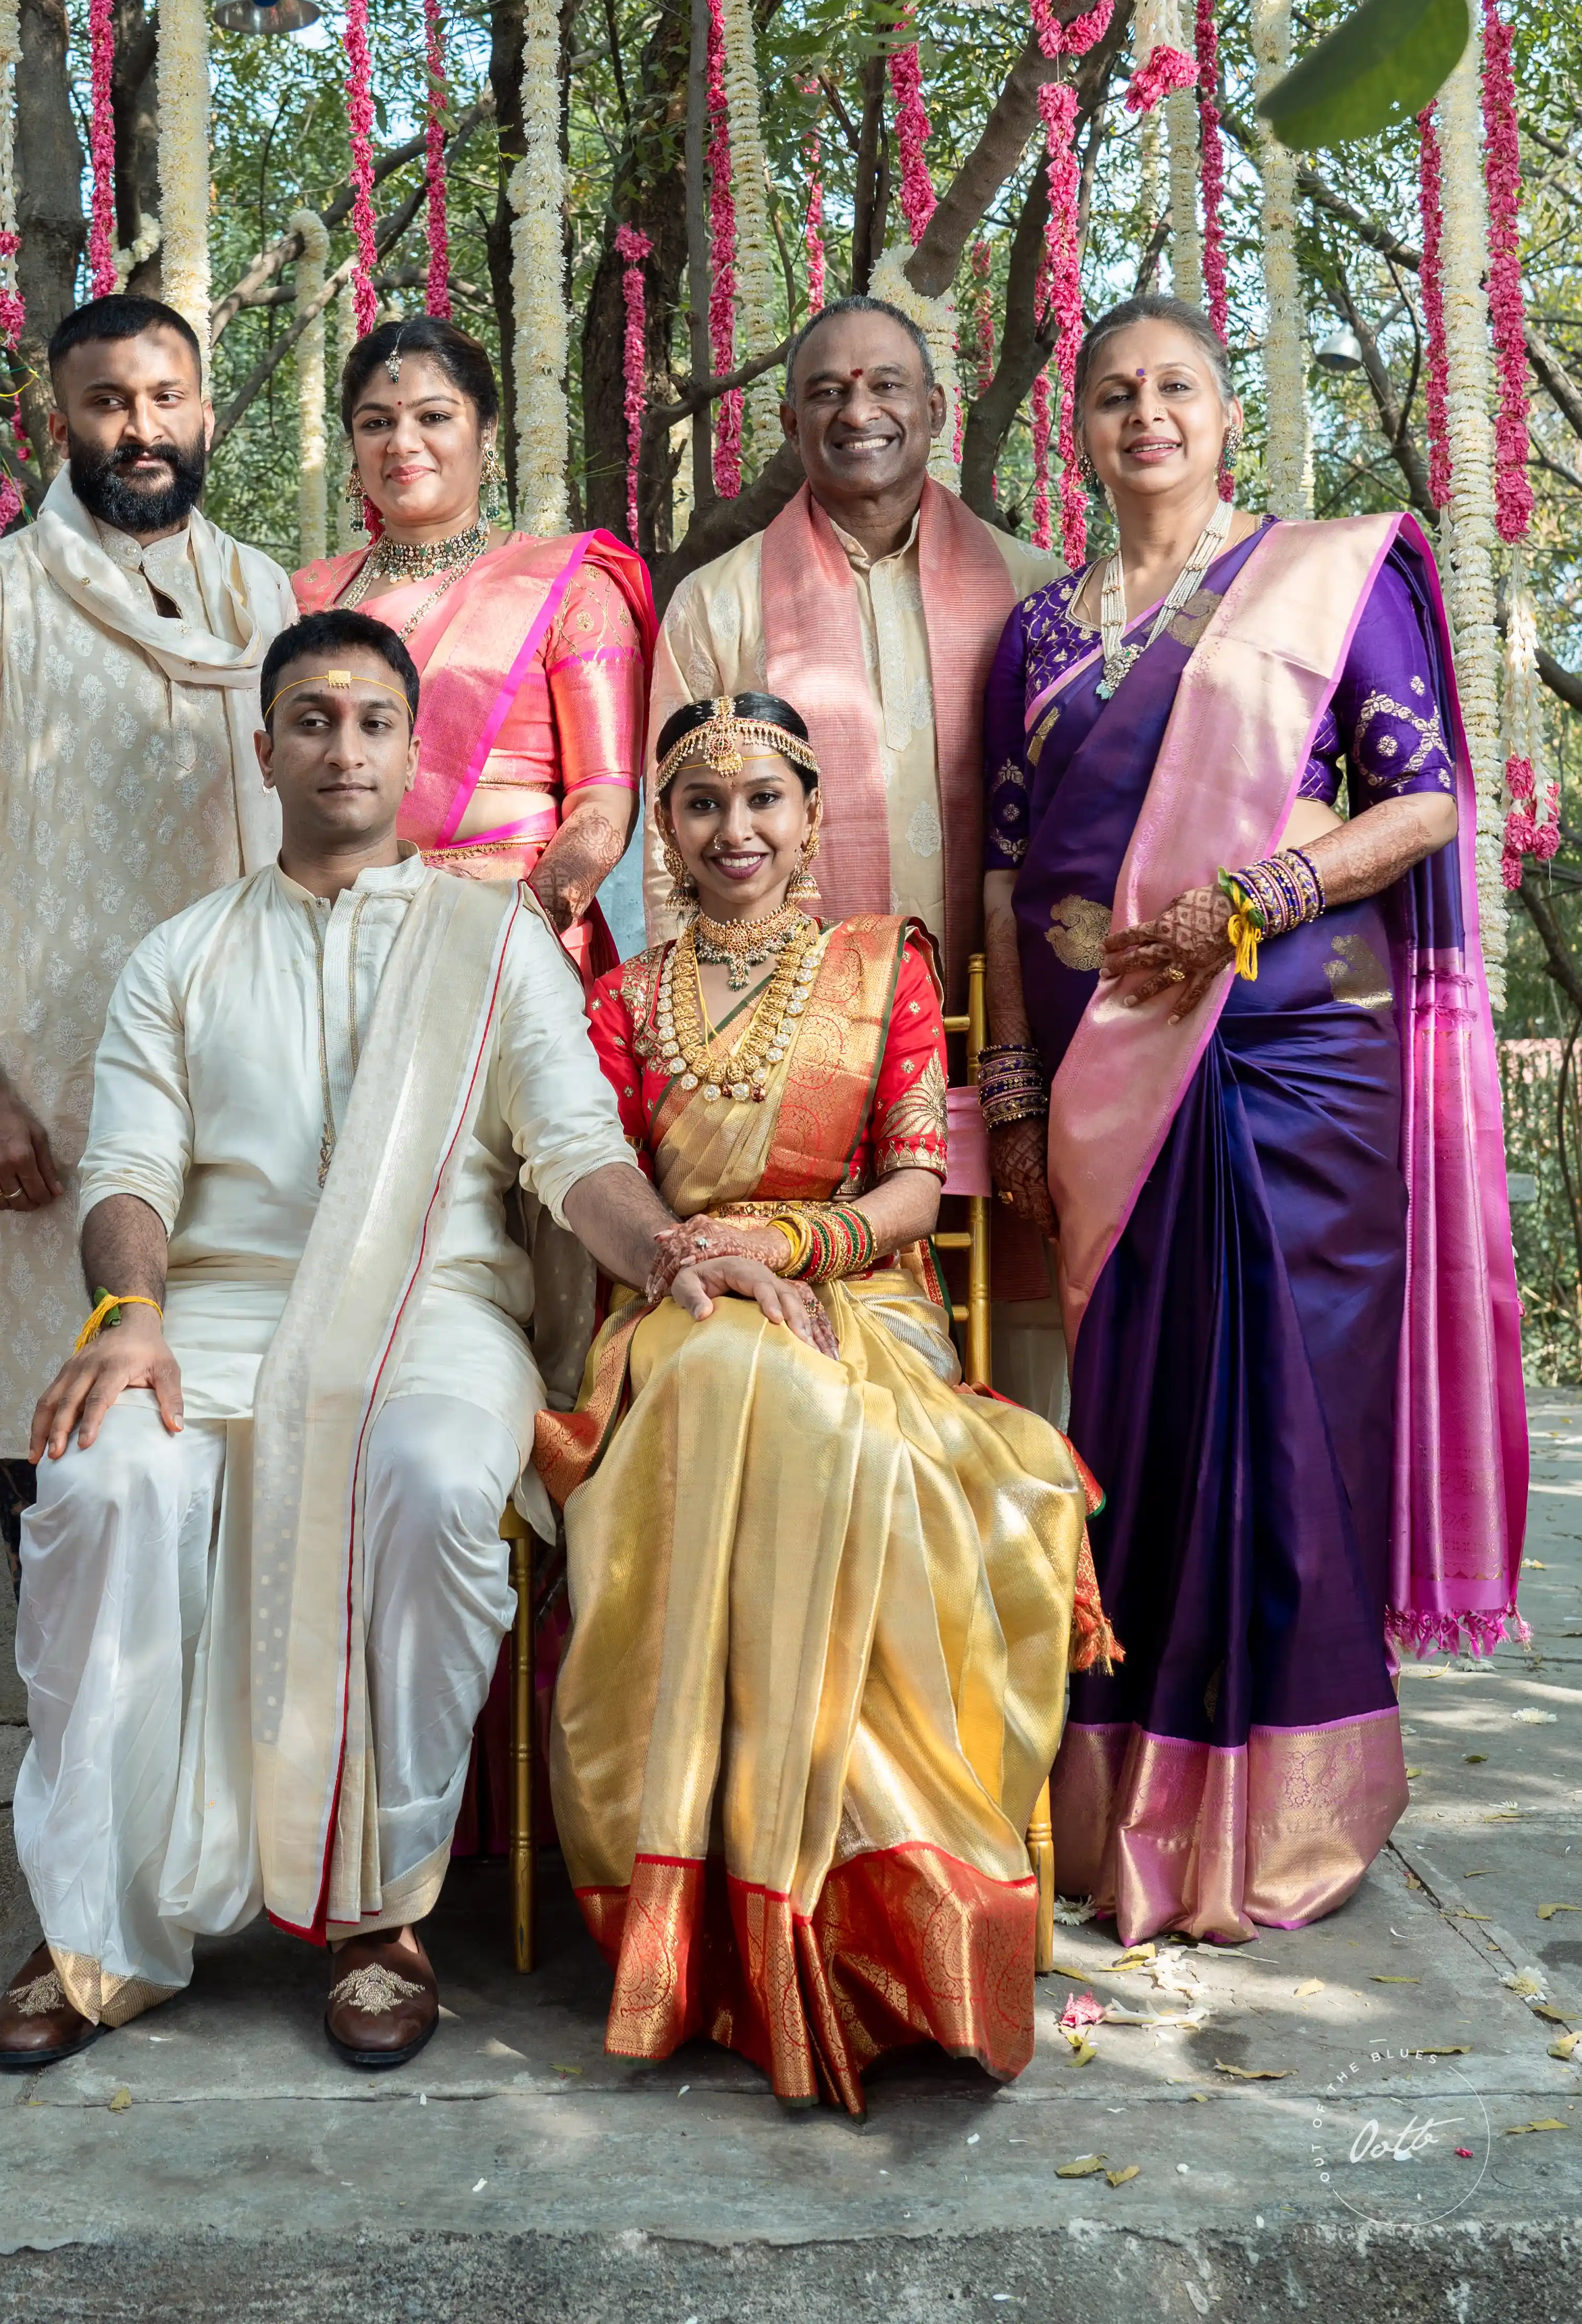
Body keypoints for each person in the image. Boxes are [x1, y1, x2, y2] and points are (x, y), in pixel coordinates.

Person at [0, 613, 817, 2077]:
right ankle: (96, 1930)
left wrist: (677, 1249)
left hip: (435, 1309)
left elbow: (574, 1153)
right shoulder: (179, 959)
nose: (345, 746)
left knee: (438, 1479)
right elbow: (129, 1174)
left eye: (374, 720)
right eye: (312, 719)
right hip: (222, 1315)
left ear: (413, 751)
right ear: (266, 751)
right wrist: (128, 1316)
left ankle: (382, 1914)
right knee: (108, 1488)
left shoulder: (487, 942)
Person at [980, 294, 1528, 1947]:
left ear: (1223, 420)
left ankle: (1286, 1812)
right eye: (1112, 394)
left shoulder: (1319, 580)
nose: (1143, 415)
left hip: (1294, 1048)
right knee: (1133, 1429)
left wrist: (1261, 891)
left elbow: (1422, 795)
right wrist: (1008, 1077)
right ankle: (1124, 1805)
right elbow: (1007, 868)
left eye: (1175, 391)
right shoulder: (1036, 633)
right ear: (1074, 430)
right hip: (1102, 1069)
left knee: (1289, 1416)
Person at [543, 691, 1111, 2114]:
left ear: (810, 823)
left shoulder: (882, 967)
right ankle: (745, 1912)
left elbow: (920, 1186)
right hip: (676, 1311)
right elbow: (604, 1198)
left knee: (841, 1417)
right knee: (753, 1380)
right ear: (663, 833)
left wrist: (788, 1245)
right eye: (700, 804)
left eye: (763, 801)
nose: (734, 830)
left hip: (862, 1294)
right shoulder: (616, 1001)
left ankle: (887, 1903)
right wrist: (711, 1264)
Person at [0, 294, 297, 1521]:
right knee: (57, 1421)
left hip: (252, 1078)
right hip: (53, 1100)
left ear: (207, 413)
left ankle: (213, 1719)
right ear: (56, 420)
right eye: (108, 402)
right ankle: (68, 1714)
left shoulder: (262, 596)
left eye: (165, 398)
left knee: (238, 1416)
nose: (140, 427)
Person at [647, 295, 1066, 1417]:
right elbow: (669, 856)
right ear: (789, 422)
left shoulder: (1034, 593)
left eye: (885, 385)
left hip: (1012, 1033)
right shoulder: (717, 602)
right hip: (797, 1066)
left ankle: (1025, 1576)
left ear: (934, 406)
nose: (858, 410)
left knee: (1025, 1332)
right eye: (826, 391)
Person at [293, 313, 653, 980]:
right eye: (376, 423)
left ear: (485, 433)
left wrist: (521, 930)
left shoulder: (573, 588)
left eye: (433, 417)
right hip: (331, 947)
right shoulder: (306, 597)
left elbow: (604, 806)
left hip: (512, 948)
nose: (403, 443)